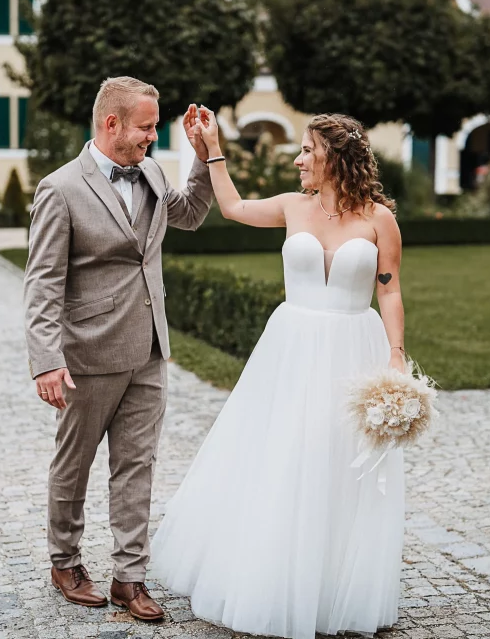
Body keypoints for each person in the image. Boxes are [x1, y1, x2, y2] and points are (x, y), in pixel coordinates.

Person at [151, 109, 406, 639]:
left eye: (307, 151)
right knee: (288, 454)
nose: (297, 159)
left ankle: (334, 586)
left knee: (343, 463)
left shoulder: (379, 218)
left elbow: (389, 289)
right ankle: (276, 578)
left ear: (335, 158)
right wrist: (213, 150)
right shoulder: (292, 207)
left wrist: (396, 354)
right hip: (293, 348)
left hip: (356, 347)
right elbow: (234, 206)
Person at [23, 77, 214, 622]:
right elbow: (41, 282)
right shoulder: (60, 190)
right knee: (75, 464)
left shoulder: (152, 171)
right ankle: (65, 563)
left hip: (150, 349)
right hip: (86, 355)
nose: (154, 138)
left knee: (137, 466)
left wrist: (201, 157)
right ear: (112, 124)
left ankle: (129, 579)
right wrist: (47, 360)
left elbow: (191, 213)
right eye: (147, 127)